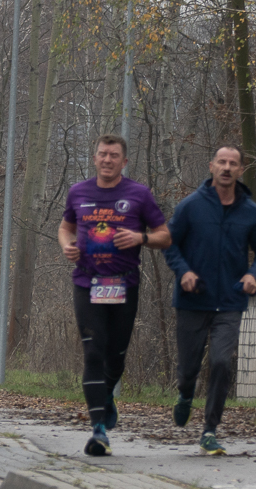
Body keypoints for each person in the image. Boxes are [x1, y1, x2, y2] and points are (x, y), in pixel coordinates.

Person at [58, 134, 172, 456]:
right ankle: (98, 430)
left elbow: (165, 236)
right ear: (94, 158)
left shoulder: (139, 194)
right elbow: (65, 227)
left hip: (124, 285)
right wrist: (66, 246)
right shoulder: (78, 192)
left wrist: (140, 238)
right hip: (87, 283)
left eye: (114, 155)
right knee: (93, 353)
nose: (107, 160)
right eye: (102, 154)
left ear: (124, 161)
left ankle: (106, 396)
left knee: (116, 356)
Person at [164, 145, 256, 455]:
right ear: (212, 166)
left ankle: (210, 430)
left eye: (233, 163)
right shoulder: (190, 206)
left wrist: (254, 275)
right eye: (222, 162)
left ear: (241, 170)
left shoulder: (250, 212)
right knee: (188, 369)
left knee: (222, 363)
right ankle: (186, 394)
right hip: (193, 300)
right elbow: (169, 244)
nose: (227, 167)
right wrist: (184, 272)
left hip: (229, 301)